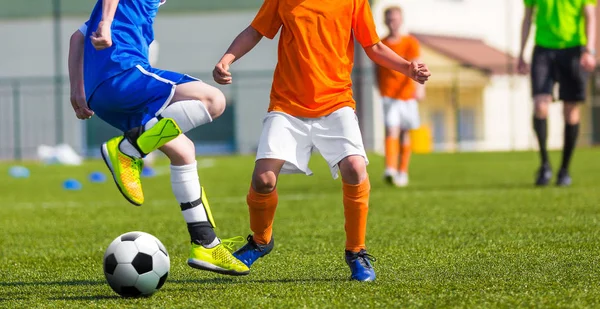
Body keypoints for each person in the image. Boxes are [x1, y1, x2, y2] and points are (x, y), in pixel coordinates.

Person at [212, 0, 430, 281]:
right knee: (263, 179)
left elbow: (373, 45)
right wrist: (226, 59)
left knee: (355, 167)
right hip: (287, 105)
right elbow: (255, 31)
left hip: (336, 102)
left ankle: (356, 251)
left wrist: (407, 69)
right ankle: (261, 241)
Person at [67, 0, 249, 275]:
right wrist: (105, 23)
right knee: (213, 100)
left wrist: (77, 90)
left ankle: (206, 243)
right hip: (122, 72)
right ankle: (129, 150)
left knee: (184, 151)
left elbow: (77, 38)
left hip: (100, 93)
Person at [518, 0, 597, 186]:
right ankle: (545, 165)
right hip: (543, 50)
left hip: (573, 49)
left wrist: (590, 50)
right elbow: (528, 17)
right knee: (540, 106)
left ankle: (564, 170)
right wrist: (521, 52)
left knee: (570, 110)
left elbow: (590, 16)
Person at [376, 6, 425, 187]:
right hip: (389, 95)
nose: (392, 23)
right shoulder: (381, 43)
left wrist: (420, 88)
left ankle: (402, 171)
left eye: (395, 19)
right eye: (389, 19)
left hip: (407, 95)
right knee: (391, 129)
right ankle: (390, 168)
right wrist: (379, 88)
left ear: (401, 20)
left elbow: (417, 64)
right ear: (384, 21)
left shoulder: (410, 42)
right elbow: (377, 67)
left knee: (405, 132)